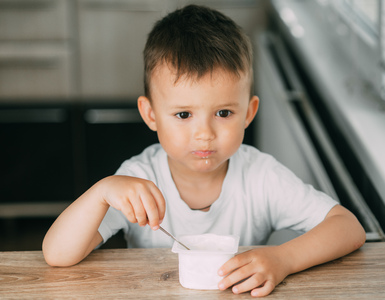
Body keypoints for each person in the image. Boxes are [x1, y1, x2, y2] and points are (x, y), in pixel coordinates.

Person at [43, 4, 366, 297]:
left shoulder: (261, 175)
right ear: (151, 115)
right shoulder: (138, 178)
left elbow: (349, 228)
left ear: (249, 113)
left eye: (223, 113)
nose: (204, 135)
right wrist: (101, 192)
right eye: (184, 115)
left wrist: (283, 258)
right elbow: (57, 255)